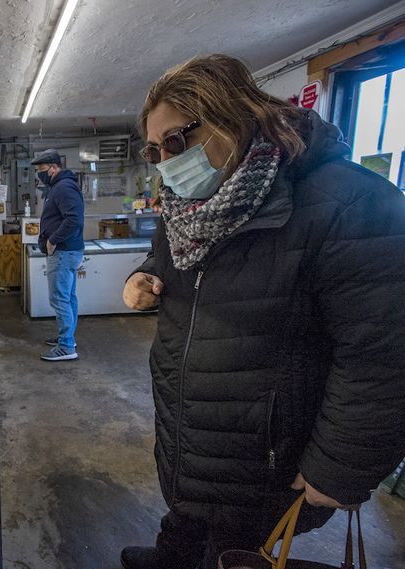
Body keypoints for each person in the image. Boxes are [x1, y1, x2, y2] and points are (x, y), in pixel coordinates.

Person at [120, 54, 405, 569]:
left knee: (234, 546)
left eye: (177, 142)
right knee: (189, 517)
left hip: (267, 451)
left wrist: (339, 467)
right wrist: (139, 277)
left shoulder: (347, 204)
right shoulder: (186, 207)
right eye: (155, 150)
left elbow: (383, 355)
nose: (166, 161)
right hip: (194, 432)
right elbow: (171, 264)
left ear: (230, 115)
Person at [31, 149, 85, 361]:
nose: (40, 175)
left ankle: (66, 347)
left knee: (60, 298)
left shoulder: (63, 187)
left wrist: (52, 240)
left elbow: (74, 220)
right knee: (68, 296)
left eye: (42, 170)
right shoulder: (58, 186)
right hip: (67, 250)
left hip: (62, 251)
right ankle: (67, 337)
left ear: (54, 168)